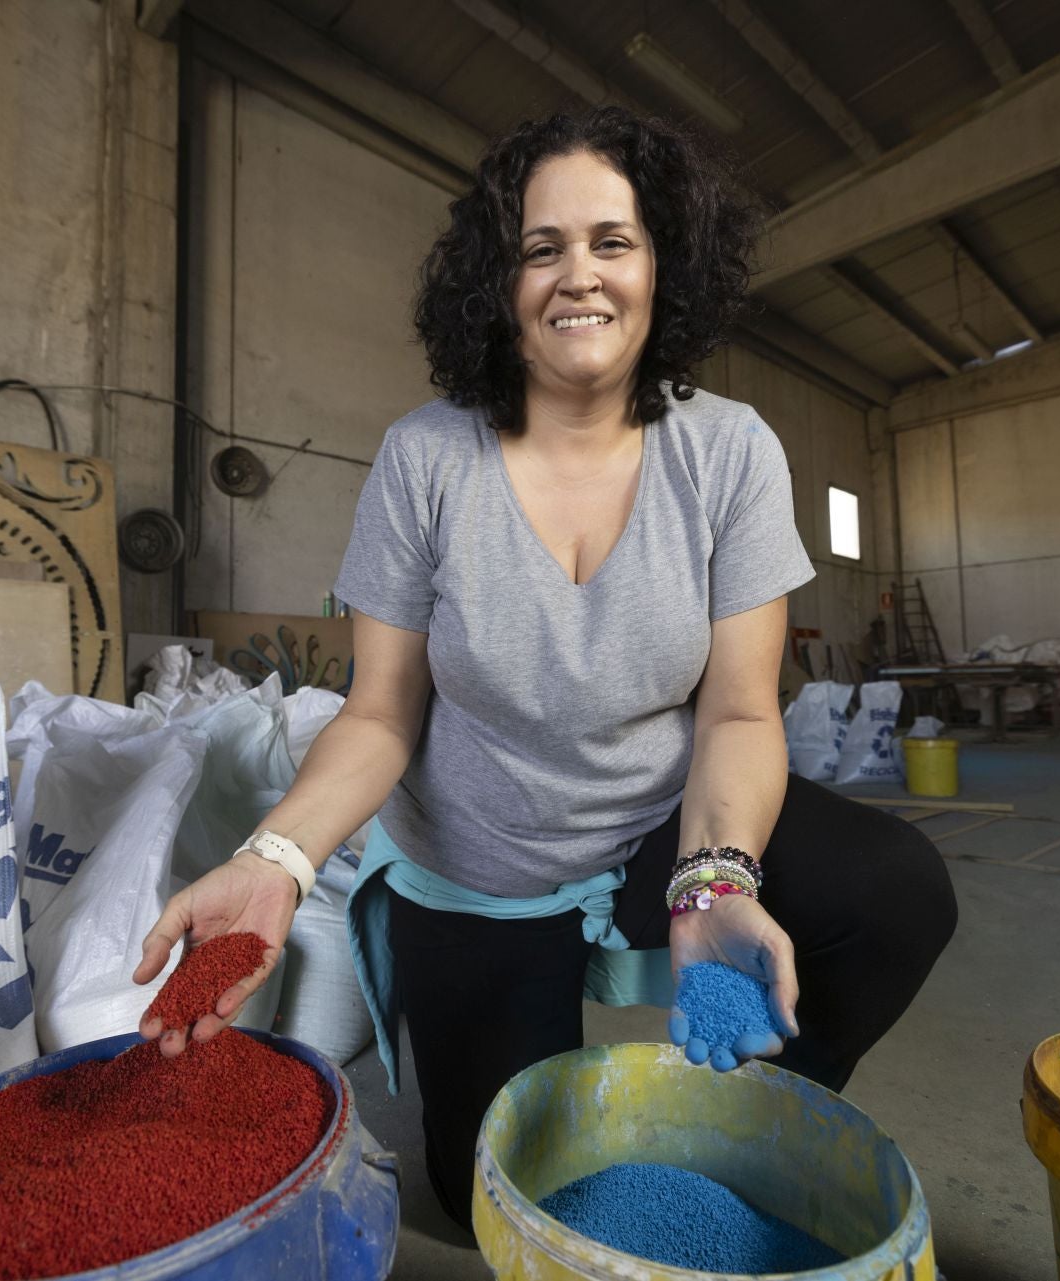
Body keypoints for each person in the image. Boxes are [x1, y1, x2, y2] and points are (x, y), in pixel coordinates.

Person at [134, 106, 957, 1235]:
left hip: (656, 833)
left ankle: (748, 1128)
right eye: (542, 247)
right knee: (488, 1197)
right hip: (480, 863)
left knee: (895, 892)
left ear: (663, 266)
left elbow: (738, 712)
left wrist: (717, 875)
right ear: (498, 281)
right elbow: (379, 714)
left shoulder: (729, 452)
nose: (581, 276)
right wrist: (277, 857)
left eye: (614, 242)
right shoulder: (428, 456)